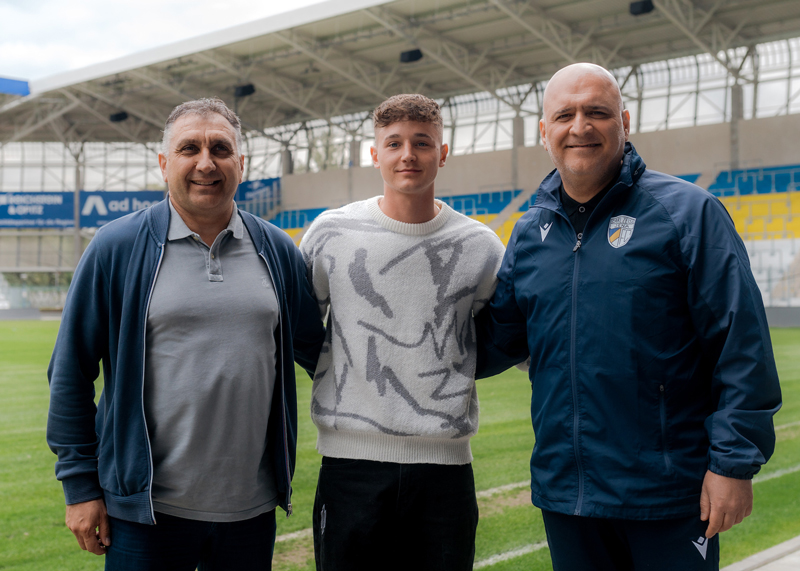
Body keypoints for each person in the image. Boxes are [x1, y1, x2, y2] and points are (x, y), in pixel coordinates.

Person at [475, 63, 782, 571]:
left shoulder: (689, 213)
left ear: (625, 122)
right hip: (566, 494)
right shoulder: (531, 232)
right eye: (564, 115)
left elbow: (740, 344)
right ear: (544, 131)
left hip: (668, 495)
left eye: (597, 112)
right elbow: (493, 341)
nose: (580, 127)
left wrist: (733, 464)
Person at [46, 98, 325, 570]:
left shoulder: (277, 249)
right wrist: (79, 487)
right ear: (164, 163)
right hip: (146, 513)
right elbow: (70, 372)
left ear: (241, 164)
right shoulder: (116, 247)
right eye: (189, 148)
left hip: (250, 510)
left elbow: (321, 355)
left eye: (220, 149)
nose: (205, 163)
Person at [299, 93, 506, 571]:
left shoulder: (479, 247)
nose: (407, 154)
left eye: (422, 142)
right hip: (349, 467)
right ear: (375, 154)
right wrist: (342, 371)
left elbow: (505, 338)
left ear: (443, 153)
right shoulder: (331, 233)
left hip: (444, 472)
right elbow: (301, 330)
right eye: (394, 143)